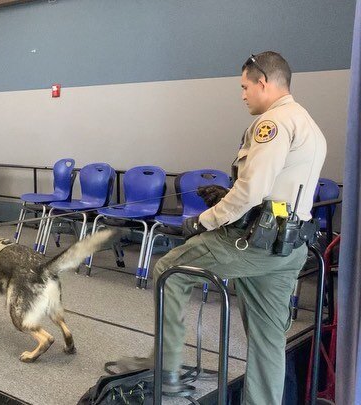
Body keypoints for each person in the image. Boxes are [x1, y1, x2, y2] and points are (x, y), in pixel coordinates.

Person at [154, 51, 326, 404]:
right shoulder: (307, 121)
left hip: (253, 245)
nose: (242, 94)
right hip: (288, 248)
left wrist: (202, 221)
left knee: (167, 270)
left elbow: (252, 191)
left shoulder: (272, 123)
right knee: (267, 340)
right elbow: (276, 189)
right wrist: (226, 194)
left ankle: (168, 372)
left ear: (263, 82)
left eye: (245, 86)